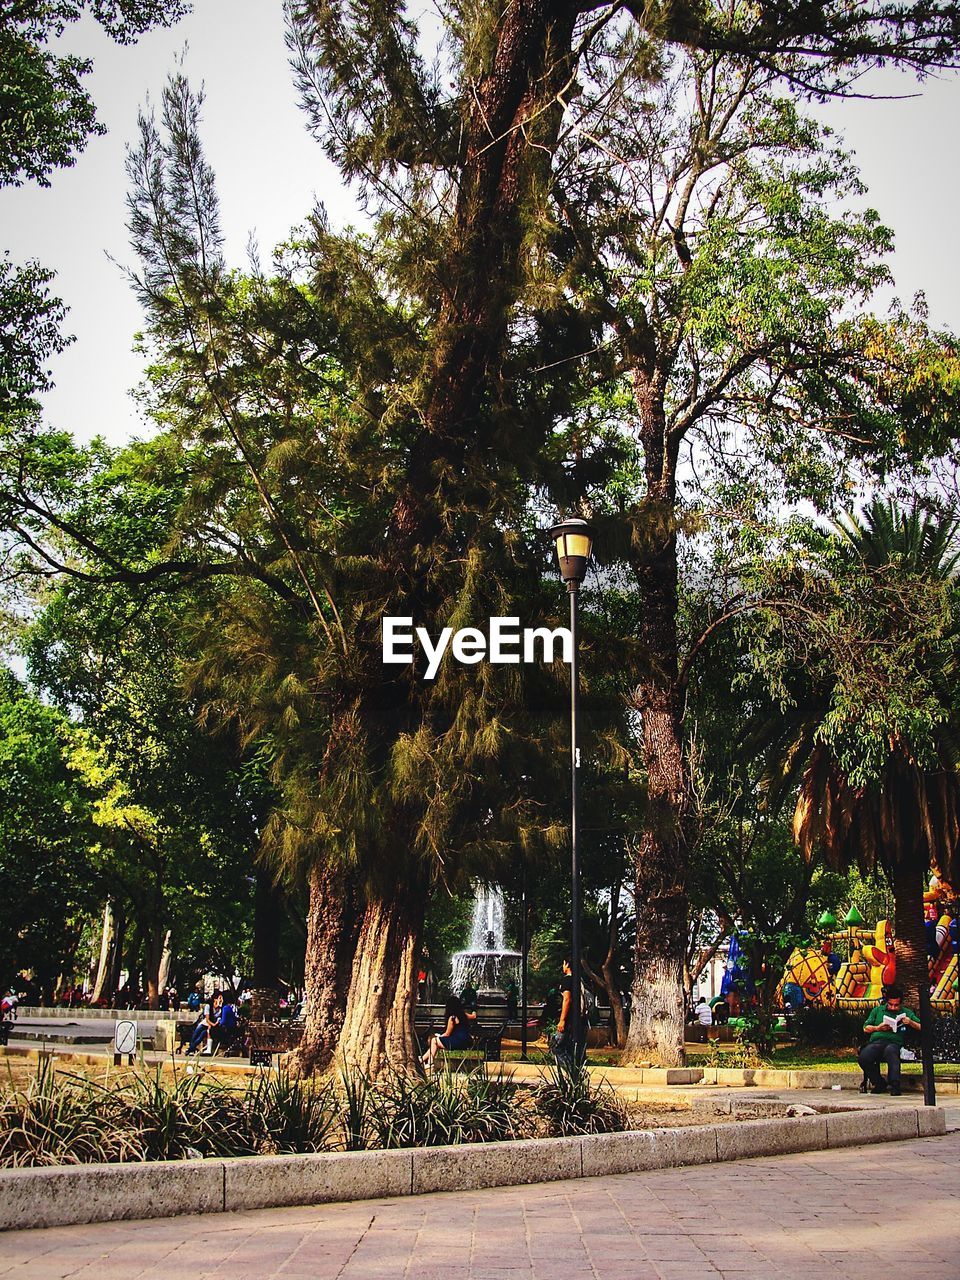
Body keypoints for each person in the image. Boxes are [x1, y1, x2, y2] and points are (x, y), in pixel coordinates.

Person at [858, 985, 920, 1095]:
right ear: (887, 1002)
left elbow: (922, 1026)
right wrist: (877, 1028)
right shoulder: (877, 1011)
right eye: (890, 1004)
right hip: (877, 1042)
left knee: (891, 1051)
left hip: (894, 1043)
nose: (893, 1007)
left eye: (896, 1005)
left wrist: (910, 1022)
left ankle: (895, 1085)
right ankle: (879, 1082)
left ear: (900, 1003)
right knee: (864, 1056)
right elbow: (865, 1028)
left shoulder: (906, 1013)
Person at [421, 994, 471, 1072]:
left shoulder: (452, 1018)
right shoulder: (464, 1015)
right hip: (465, 1042)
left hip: (456, 1042)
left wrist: (440, 1036)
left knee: (434, 1041)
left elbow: (447, 1034)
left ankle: (430, 1064)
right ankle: (421, 1060)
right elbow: (473, 1016)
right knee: (435, 1044)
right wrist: (474, 1010)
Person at [551, 958, 587, 1066]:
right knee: (570, 1047)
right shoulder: (578, 981)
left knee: (556, 1046)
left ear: (567, 965)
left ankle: (569, 1069)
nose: (563, 967)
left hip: (568, 1019)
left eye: (563, 964)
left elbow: (567, 999)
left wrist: (562, 1020)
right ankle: (575, 1069)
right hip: (578, 1019)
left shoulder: (567, 980)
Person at [187, 990, 222, 1056]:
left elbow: (218, 1018)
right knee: (195, 1035)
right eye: (219, 998)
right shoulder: (208, 1006)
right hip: (205, 1023)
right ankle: (191, 1049)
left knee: (201, 1036)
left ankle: (190, 1049)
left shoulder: (219, 1009)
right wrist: (212, 1024)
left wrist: (215, 1023)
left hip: (211, 1025)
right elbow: (207, 1018)